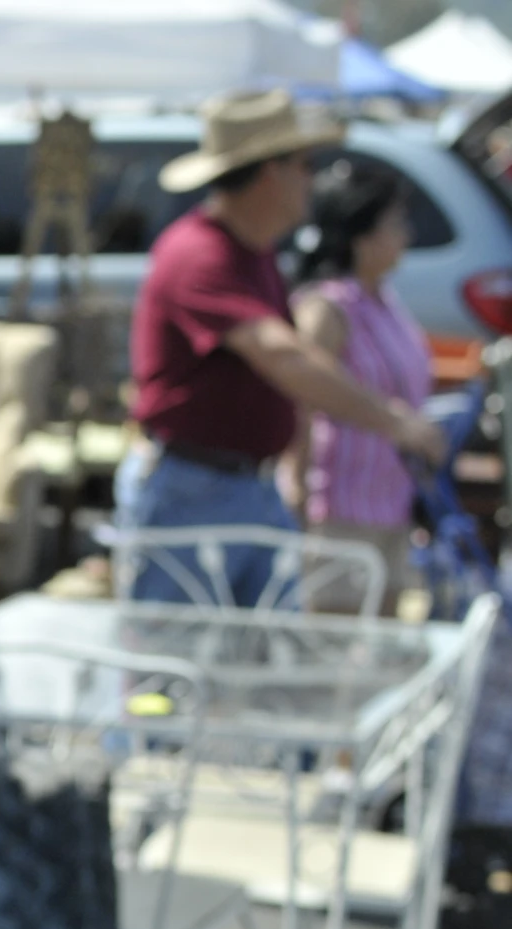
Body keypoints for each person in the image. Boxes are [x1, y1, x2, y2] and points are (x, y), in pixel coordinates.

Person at [119, 89, 445, 605]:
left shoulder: (252, 253)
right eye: (304, 164)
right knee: (171, 662)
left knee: (256, 665)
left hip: (240, 486)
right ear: (271, 172)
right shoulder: (200, 253)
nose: (311, 180)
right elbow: (284, 358)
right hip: (194, 490)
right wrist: (396, 422)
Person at [285, 159, 431, 612]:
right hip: (339, 508)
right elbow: (300, 398)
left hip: (389, 500)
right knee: (332, 652)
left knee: (384, 652)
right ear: (362, 235)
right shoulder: (326, 308)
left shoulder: (383, 298)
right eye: (394, 223)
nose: (405, 233)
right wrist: (295, 483)